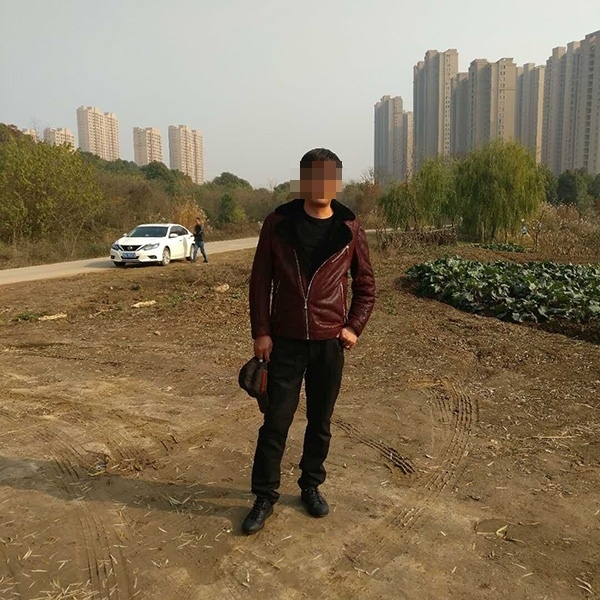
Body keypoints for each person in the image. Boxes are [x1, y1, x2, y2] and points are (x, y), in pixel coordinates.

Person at [243, 148, 376, 535]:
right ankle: (264, 495)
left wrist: (353, 327)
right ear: (303, 181)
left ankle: (310, 485)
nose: (321, 184)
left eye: (329, 177)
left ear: (337, 182)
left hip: (329, 343)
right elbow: (260, 282)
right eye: (314, 176)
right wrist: (261, 331)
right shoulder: (278, 223)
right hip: (284, 341)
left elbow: (366, 285)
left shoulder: (350, 227)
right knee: (276, 421)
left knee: (320, 421)